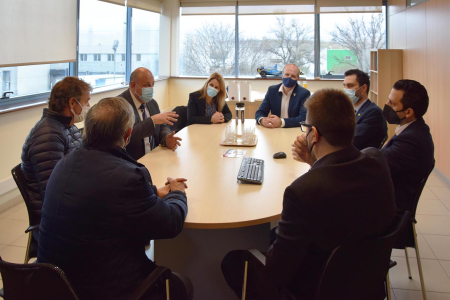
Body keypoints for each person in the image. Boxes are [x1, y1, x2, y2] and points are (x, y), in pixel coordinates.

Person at [222, 88, 396, 300]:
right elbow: (337, 181)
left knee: (233, 261)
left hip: (315, 291)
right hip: (367, 284)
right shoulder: (377, 160)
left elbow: (278, 271)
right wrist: (315, 162)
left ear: (314, 134)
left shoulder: (302, 191)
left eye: (305, 129)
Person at [38, 97, 192, 300]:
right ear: (128, 134)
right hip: (100, 289)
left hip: (51, 285)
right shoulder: (128, 178)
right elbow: (171, 223)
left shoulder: (64, 163)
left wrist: (152, 192)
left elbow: (101, 194)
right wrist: (177, 192)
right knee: (182, 285)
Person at [21, 76, 92, 205]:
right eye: (86, 101)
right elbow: (54, 189)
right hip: (55, 212)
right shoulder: (48, 136)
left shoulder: (68, 126)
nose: (88, 106)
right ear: (72, 103)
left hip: (70, 197)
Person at [381, 79, 435, 213]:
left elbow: (379, 161)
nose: (386, 105)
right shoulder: (414, 128)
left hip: (391, 208)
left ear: (408, 112)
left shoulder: (412, 139)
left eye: (392, 104)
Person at [118, 67, 181, 160]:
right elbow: (125, 136)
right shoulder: (120, 105)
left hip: (155, 157)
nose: (151, 89)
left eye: (152, 85)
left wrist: (167, 138)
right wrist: (152, 121)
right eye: (147, 85)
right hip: (133, 162)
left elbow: (162, 127)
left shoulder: (152, 103)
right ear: (132, 85)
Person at [255, 64, 310, 128]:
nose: (289, 78)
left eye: (293, 76)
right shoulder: (272, 90)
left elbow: (303, 118)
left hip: (293, 129)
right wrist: (262, 120)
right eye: (287, 74)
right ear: (282, 75)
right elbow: (260, 112)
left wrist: (281, 122)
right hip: (275, 130)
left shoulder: (304, 93)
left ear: (298, 78)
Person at [343, 69, 387, 150]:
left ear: (363, 88)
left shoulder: (373, 112)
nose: (346, 90)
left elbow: (351, 141)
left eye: (350, 86)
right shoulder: (351, 110)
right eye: (344, 86)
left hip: (358, 159)